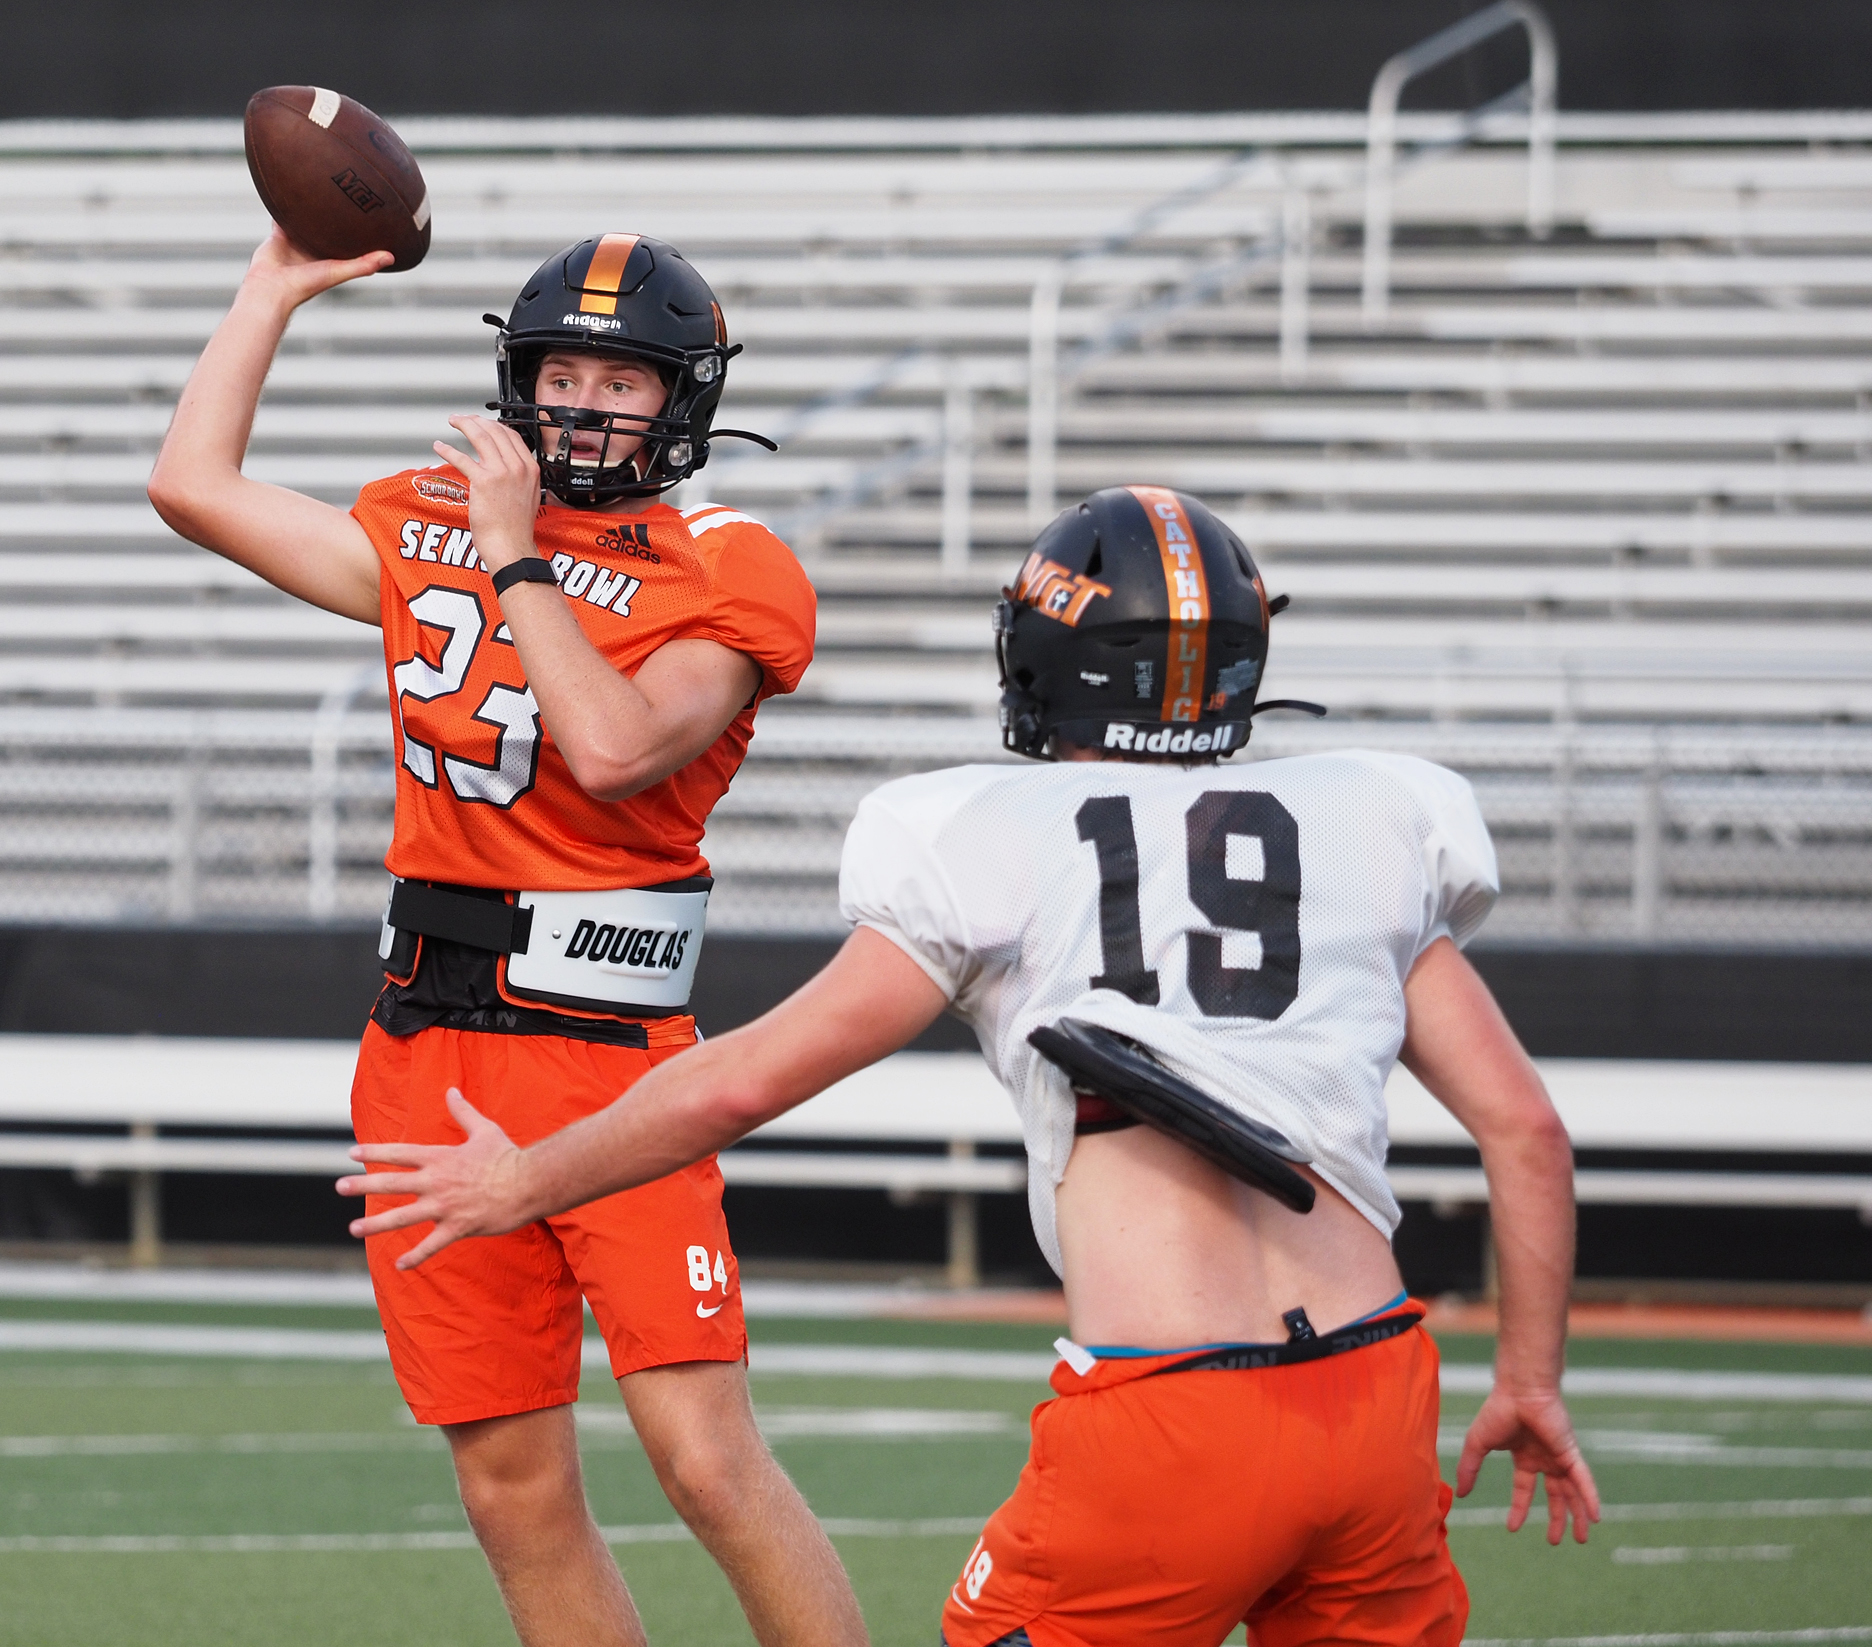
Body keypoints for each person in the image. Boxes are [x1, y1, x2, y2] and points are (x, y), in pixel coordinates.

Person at [338, 485, 1605, 1647]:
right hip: (1377, 1391)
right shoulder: (1368, 819)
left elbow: (735, 1084)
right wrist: (1532, 1382)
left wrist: (523, 1183)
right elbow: (1525, 1129)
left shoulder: (982, 834)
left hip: (1168, 1410)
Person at [149, 228, 869, 1647]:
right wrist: (270, 290)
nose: (588, 400)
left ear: (686, 400)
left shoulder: (732, 562)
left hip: (615, 1060)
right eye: (562, 368)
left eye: (625, 375)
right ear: (516, 378)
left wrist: (512, 552)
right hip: (426, 1048)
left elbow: (613, 749)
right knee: (510, 1486)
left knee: (706, 1459)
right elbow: (192, 486)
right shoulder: (424, 515)